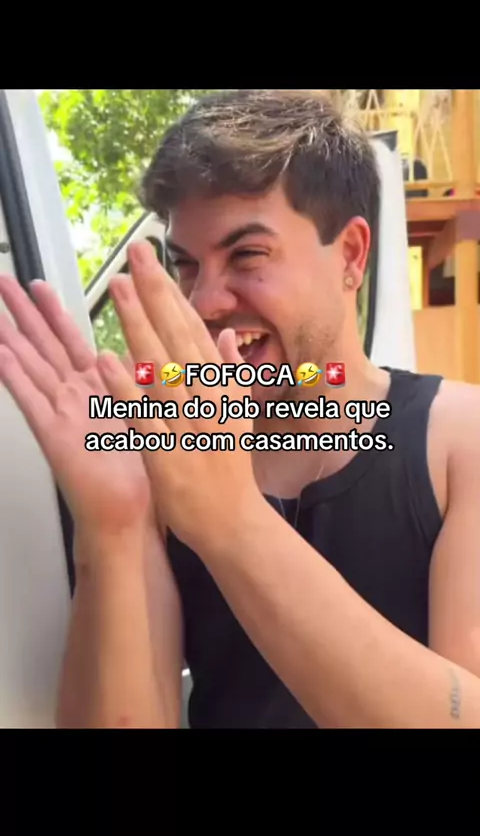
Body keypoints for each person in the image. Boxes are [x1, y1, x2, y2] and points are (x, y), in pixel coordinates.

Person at [1, 88, 480, 729]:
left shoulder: (459, 442)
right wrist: (115, 526)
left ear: (351, 254)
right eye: (186, 266)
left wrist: (230, 520)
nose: (205, 302)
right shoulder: (168, 463)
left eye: (247, 255)